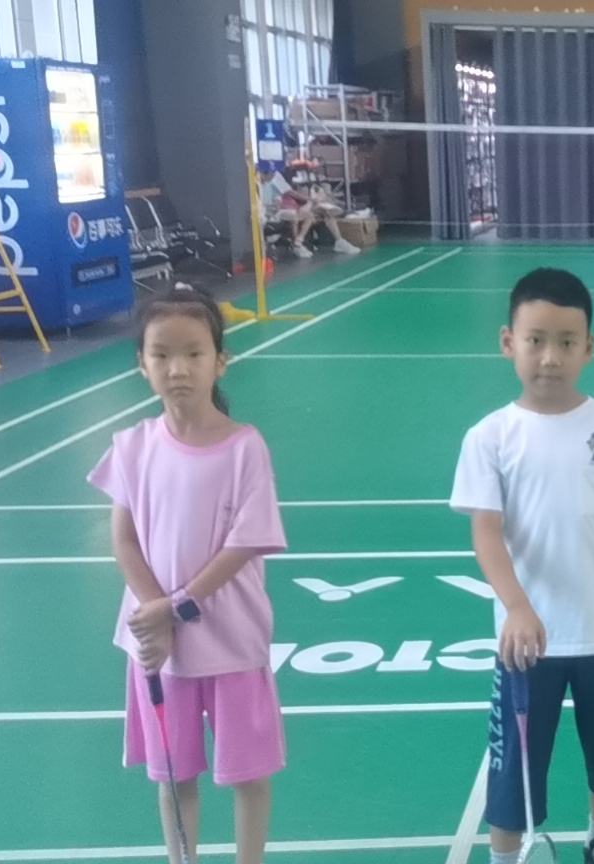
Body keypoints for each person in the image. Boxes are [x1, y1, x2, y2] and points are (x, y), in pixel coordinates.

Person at [451, 268, 594, 864]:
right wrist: (517, 607)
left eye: (567, 342)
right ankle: (504, 857)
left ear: (588, 348)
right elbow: (486, 534)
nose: (550, 357)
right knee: (514, 769)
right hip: (527, 644)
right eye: (536, 340)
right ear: (508, 342)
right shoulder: (490, 437)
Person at [89, 287, 288, 864]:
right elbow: (125, 539)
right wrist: (155, 612)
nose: (178, 369)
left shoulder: (245, 448)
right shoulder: (131, 447)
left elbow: (244, 542)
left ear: (220, 361)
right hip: (159, 646)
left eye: (194, 353)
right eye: (162, 355)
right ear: (142, 364)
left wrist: (175, 607)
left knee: (249, 774)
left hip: (231, 639)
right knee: (174, 777)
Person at [257, 164, 360, 258]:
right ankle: (297, 245)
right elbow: (290, 193)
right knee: (305, 214)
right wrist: (310, 200)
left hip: (294, 206)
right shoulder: (258, 183)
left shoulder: (275, 175)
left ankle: (339, 241)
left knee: (324, 211)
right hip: (279, 210)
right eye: (270, 175)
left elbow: (288, 193)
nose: (272, 176)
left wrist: (311, 201)